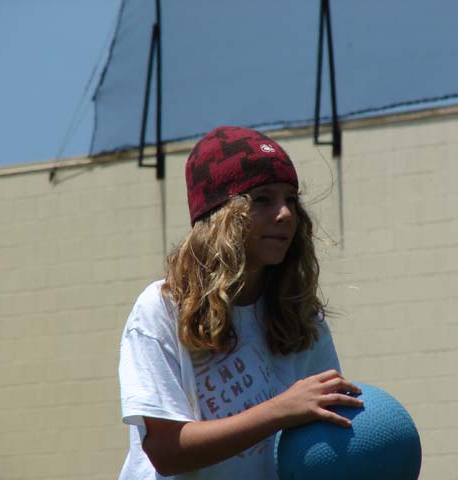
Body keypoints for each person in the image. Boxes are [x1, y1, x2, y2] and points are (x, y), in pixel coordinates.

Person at [118, 126, 362, 480]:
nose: (285, 214)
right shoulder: (163, 308)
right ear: (219, 217)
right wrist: (281, 410)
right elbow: (165, 452)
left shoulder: (302, 315)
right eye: (262, 199)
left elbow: (321, 434)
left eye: (291, 199)